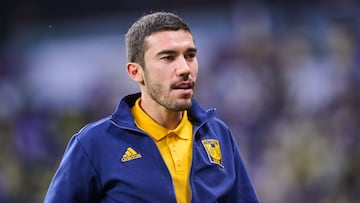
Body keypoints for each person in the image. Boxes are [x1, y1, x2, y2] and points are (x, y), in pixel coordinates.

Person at [44, 11, 259, 203]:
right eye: (168, 58)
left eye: (190, 56)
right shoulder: (93, 144)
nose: (184, 68)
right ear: (135, 72)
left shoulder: (219, 134)